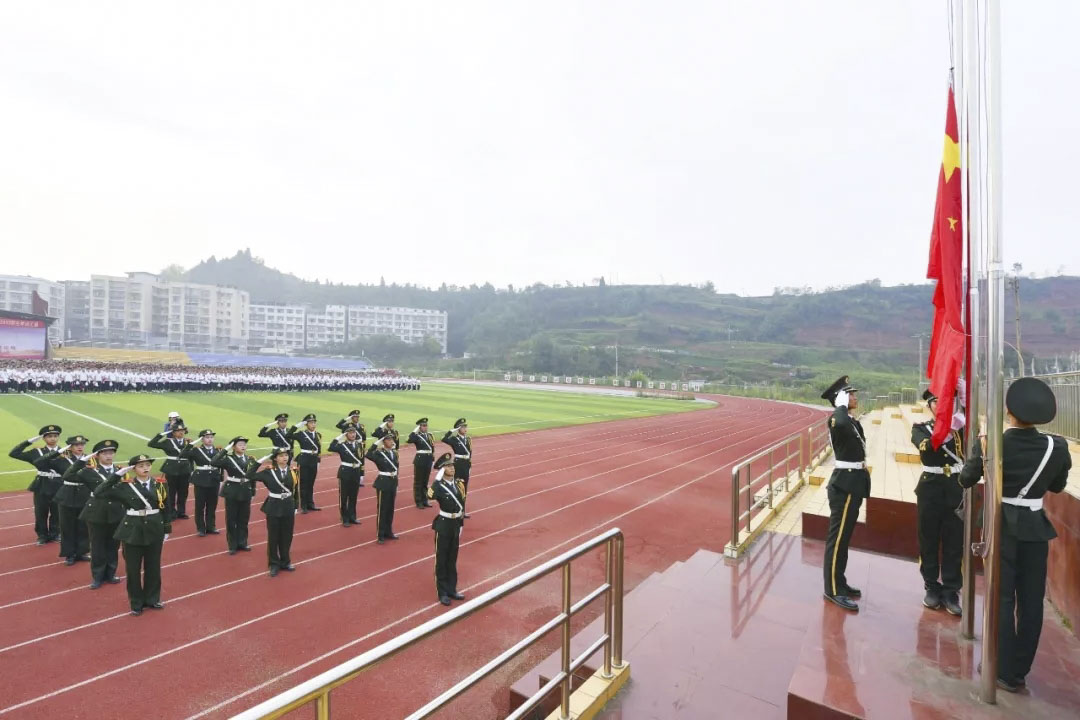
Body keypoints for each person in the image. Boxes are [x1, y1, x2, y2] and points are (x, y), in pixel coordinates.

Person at [959, 377, 1072, 692]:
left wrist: (978, 450)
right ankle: (1019, 670)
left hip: (1002, 525)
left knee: (1002, 597)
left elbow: (967, 480)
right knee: (1032, 600)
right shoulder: (1056, 446)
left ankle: (1001, 667)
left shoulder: (994, 443)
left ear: (1008, 410)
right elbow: (1057, 486)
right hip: (1036, 524)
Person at [912, 387, 966, 615]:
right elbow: (926, 449)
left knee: (954, 541)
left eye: (945, 401)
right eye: (936, 402)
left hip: (955, 486)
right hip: (931, 487)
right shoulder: (920, 428)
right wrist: (944, 430)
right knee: (929, 539)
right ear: (930, 406)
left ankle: (952, 590)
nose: (940, 406)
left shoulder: (962, 428)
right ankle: (932, 586)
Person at [95, 454, 171, 616]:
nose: (145, 468)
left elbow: (166, 507)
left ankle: (152, 598)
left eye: (147, 464)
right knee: (133, 568)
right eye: (141, 465)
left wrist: (166, 529)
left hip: (154, 528)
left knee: (153, 566)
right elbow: (99, 492)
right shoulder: (125, 485)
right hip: (132, 530)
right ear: (134, 469)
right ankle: (136, 602)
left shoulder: (160, 484)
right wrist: (117, 475)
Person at [820, 377, 869, 612]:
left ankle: (840, 581)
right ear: (840, 398)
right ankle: (831, 589)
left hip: (854, 483)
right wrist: (839, 406)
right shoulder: (836, 419)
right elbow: (838, 423)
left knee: (844, 538)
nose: (855, 397)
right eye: (850, 394)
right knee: (837, 539)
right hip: (844, 486)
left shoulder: (849, 420)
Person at [70, 440, 126, 589]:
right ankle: (98, 576)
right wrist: (82, 461)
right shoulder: (89, 471)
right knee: (97, 546)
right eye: (105, 453)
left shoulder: (121, 470)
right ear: (98, 455)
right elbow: (68, 476)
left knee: (113, 545)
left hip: (116, 511)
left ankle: (111, 573)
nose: (109, 455)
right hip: (97, 511)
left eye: (111, 452)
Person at [248, 447, 299, 576]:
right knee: (273, 537)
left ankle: (285, 561)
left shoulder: (293, 471)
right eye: (281, 456)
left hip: (288, 505)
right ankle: (274, 564)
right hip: (274, 506)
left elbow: (296, 490)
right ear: (275, 458)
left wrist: (296, 506)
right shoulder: (268, 472)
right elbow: (249, 475)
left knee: (287, 535)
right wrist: (260, 461)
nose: (285, 458)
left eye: (286, 455)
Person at [8, 424, 63, 545]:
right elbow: (14, 453)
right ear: (44, 438)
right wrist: (29, 441)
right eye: (49, 436)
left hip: (59, 485)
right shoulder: (36, 452)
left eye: (55, 436)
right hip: (42, 485)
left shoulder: (65, 453)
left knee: (57, 512)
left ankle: (55, 533)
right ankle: (42, 535)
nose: (53, 439)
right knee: (41, 512)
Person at [429, 453, 466, 605]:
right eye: (448, 466)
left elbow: (462, 505)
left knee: (452, 559)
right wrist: (437, 481)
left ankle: (452, 589)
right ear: (442, 470)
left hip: (455, 524)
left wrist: (461, 523)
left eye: (452, 465)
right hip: (443, 524)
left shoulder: (459, 484)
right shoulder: (438, 486)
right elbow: (429, 496)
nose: (452, 468)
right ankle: (442, 592)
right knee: (442, 559)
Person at [49, 434, 91, 565]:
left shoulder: (90, 459)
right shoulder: (62, 459)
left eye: (82, 444)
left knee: (83, 526)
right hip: (67, 494)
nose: (80, 447)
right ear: (70, 446)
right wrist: (60, 451)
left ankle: (81, 552)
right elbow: (43, 462)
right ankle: (69, 554)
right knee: (67, 526)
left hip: (84, 494)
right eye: (76, 445)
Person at [212, 436, 258, 555]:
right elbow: (214, 462)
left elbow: (252, 477)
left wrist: (253, 491)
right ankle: (232, 544)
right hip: (232, 490)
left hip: (245, 491)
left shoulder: (250, 459)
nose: (243, 446)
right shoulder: (228, 459)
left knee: (243, 519)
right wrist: (225, 449)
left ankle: (242, 542)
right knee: (231, 519)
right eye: (240, 444)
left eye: (244, 444)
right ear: (233, 447)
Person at [147, 418, 192, 520]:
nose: (181, 432)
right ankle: (171, 512)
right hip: (171, 469)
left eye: (182, 430)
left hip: (185, 469)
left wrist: (191, 469)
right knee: (171, 492)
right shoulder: (167, 442)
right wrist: (162, 434)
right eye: (178, 431)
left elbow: (191, 457)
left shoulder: (188, 442)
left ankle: (181, 512)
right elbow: (151, 444)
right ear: (173, 433)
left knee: (183, 492)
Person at [182, 429, 222, 537]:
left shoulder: (218, 450)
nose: (210, 439)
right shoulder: (196, 450)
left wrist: (221, 479)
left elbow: (221, 467)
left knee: (212, 505)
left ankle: (211, 526)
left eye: (211, 437)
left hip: (214, 480)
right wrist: (192, 444)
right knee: (200, 506)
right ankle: (200, 528)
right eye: (207, 437)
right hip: (201, 480)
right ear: (202, 439)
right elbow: (182, 455)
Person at [328, 424, 365, 527]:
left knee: (354, 496)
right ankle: (344, 518)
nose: (352, 435)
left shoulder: (359, 445)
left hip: (356, 471)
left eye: (354, 432)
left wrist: (361, 472)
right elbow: (330, 447)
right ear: (346, 434)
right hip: (345, 471)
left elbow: (361, 459)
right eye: (350, 433)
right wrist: (339, 437)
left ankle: (352, 517)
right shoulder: (342, 445)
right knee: (344, 496)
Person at [366, 434, 400, 544]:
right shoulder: (379, 453)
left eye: (392, 439)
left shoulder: (394, 453)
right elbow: (368, 454)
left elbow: (396, 468)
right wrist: (377, 442)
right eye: (388, 439)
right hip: (383, 482)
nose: (391, 441)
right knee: (382, 509)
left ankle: (388, 532)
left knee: (390, 509)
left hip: (392, 482)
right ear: (383, 442)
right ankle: (380, 534)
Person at [287, 413, 322, 513]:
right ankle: (303, 505)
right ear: (306, 424)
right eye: (310, 422)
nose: (313, 424)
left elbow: (318, 449)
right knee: (303, 483)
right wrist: (299, 425)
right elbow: (288, 435)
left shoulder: (318, 435)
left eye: (314, 422)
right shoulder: (301, 434)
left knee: (311, 483)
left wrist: (318, 461)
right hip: (304, 460)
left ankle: (311, 504)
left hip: (313, 460)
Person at [442, 418, 473, 518]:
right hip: (458, 464)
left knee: (464, 489)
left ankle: (462, 511)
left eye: (465, 427)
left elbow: (470, 453)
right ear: (459, 428)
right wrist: (453, 430)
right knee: (457, 487)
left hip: (466, 465)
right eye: (462, 427)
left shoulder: (468, 439)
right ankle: (455, 509)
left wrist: (469, 466)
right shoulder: (454, 439)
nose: (465, 428)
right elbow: (444, 438)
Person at [407, 418, 436, 509]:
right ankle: (418, 501)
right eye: (423, 425)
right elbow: (409, 439)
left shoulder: (430, 435)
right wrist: (415, 430)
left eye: (426, 425)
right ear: (419, 427)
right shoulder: (416, 436)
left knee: (425, 482)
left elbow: (432, 448)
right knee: (418, 482)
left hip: (428, 459)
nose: (425, 427)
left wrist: (432, 459)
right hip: (420, 460)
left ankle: (425, 500)